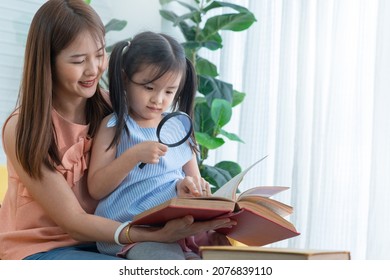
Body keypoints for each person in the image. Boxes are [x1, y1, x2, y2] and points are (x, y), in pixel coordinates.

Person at [0, 0, 234, 260]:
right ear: (48, 62)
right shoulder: (23, 128)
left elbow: (169, 156)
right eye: (78, 60)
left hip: (108, 241)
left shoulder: (116, 107)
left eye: (99, 54)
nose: (93, 70)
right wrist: (149, 235)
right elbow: (72, 220)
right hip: (40, 250)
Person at [88, 31, 229, 260]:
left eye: (169, 91)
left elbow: (194, 182)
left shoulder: (179, 127)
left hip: (178, 228)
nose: (159, 99)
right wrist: (132, 156)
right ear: (125, 79)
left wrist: (191, 189)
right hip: (136, 230)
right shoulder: (115, 126)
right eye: (149, 87)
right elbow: (96, 188)